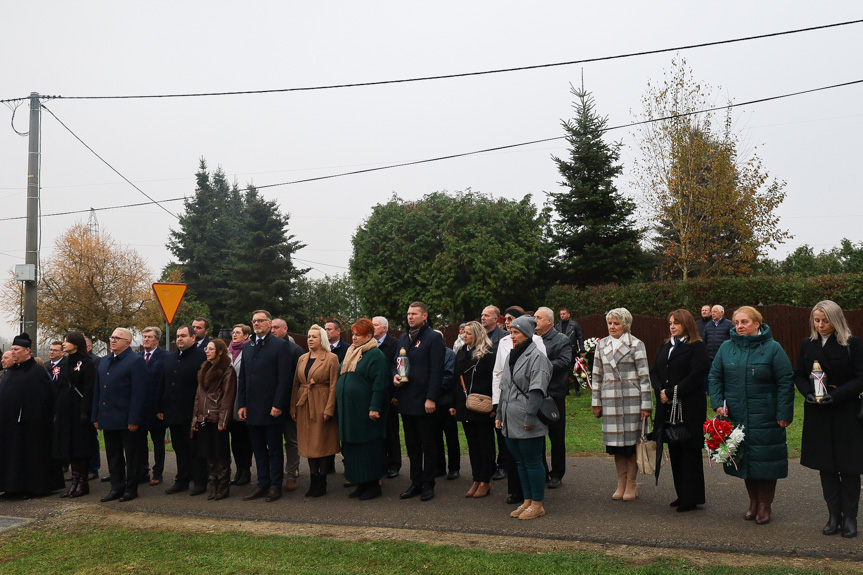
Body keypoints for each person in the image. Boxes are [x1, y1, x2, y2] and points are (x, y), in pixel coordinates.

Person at [709, 305, 794, 525]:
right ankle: (753, 502)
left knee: (765, 462)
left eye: (744, 322)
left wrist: (783, 413)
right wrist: (718, 403)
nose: (740, 326)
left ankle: (765, 505)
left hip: (766, 417)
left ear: (757, 323)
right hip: (736, 416)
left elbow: (785, 381)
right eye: (737, 322)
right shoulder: (727, 348)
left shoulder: (773, 348)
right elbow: (714, 377)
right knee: (744, 460)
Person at [793, 300, 863, 538]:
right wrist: (808, 394)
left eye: (825, 320)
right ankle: (833, 515)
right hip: (819, 413)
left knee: (850, 467)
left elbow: (861, 377)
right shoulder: (807, 344)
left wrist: (837, 395)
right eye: (816, 320)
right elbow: (799, 375)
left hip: (846, 412)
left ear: (836, 320)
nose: (820, 325)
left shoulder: (853, 344)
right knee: (827, 466)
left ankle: (850, 517)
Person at [650, 310, 710, 512]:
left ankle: (692, 497)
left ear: (686, 325)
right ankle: (681, 493)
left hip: (688, 406)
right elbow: (655, 371)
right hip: (667, 406)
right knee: (674, 448)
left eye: (676, 323)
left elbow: (696, 375)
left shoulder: (696, 346)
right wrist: (660, 390)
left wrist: (673, 392)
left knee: (689, 451)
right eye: (670, 323)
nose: (672, 326)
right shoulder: (666, 345)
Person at [591, 308, 652, 502]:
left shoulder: (636, 344)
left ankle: (632, 483)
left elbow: (644, 376)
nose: (612, 327)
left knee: (632, 444)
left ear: (625, 324)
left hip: (632, 399)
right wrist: (596, 402)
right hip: (610, 400)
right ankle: (621, 482)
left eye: (616, 323)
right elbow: (596, 375)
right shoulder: (602, 345)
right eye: (610, 323)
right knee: (616, 445)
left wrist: (646, 405)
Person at [496, 316, 552, 520]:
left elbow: (537, 390)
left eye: (516, 332)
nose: (512, 336)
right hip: (510, 420)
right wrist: (500, 414)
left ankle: (537, 504)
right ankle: (527, 501)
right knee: (520, 462)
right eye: (511, 332)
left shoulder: (537, 357)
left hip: (529, 420)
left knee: (533, 462)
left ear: (527, 334)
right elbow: (504, 388)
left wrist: (529, 417)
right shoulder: (512, 355)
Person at [237, 310, 294, 503]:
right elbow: (243, 378)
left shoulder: (280, 346)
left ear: (269, 324)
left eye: (260, 321)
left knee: (275, 449)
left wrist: (278, 404)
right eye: (254, 321)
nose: (257, 324)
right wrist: (242, 404)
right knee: (258, 448)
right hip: (252, 408)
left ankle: (275, 485)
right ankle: (262, 483)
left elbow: (284, 379)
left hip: (271, 408)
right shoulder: (248, 347)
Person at [0, 333, 65, 499]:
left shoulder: (36, 372)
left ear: (27, 350)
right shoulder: (11, 371)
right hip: (10, 425)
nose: (12, 352)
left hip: (31, 426)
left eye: (16, 349)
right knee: (11, 456)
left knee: (28, 457)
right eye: (12, 349)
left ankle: (29, 488)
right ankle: (11, 487)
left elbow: (44, 399)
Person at [393, 301, 445, 502]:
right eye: (408, 313)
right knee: (412, 446)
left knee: (428, 445)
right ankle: (415, 482)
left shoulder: (433, 338)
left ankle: (428, 484)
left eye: (414, 313)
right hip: (406, 400)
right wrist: (395, 377)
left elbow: (436, 371)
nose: (410, 317)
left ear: (424, 316)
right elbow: (397, 363)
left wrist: (431, 398)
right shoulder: (404, 338)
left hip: (425, 402)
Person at [92, 327, 148, 502]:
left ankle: (131, 489)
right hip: (108, 417)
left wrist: (134, 419)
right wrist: (96, 416)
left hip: (127, 418)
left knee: (132, 456)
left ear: (128, 342)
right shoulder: (104, 361)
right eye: (112, 337)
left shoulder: (135, 361)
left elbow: (139, 393)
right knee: (113, 455)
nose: (113, 340)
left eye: (118, 338)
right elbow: (98, 391)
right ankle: (116, 487)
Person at [336, 319, 390, 500]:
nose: (354, 338)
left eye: (358, 335)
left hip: (366, 412)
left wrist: (374, 407)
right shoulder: (352, 353)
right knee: (352, 447)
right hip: (350, 412)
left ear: (369, 336)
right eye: (353, 334)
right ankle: (360, 483)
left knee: (368, 447)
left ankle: (373, 485)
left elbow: (380, 384)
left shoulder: (375, 355)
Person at [290, 325, 340, 497]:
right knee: (309, 443)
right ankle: (313, 479)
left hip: (321, 402)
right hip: (304, 404)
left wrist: (329, 408)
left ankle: (322, 480)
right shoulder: (302, 358)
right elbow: (296, 384)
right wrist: (293, 407)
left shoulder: (331, 358)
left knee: (322, 443)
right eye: (309, 336)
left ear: (322, 339)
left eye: (314, 337)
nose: (310, 339)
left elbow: (334, 385)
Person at [159, 325, 208, 496]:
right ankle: (182, 480)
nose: (179, 339)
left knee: (195, 449)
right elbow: (164, 384)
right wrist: (161, 407)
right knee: (179, 449)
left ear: (193, 338)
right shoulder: (171, 358)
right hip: (173, 412)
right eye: (178, 336)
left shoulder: (202, 358)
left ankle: (200, 481)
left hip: (193, 413)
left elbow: (205, 388)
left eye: (183, 336)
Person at [452, 321, 496, 498]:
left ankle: (485, 480)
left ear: (478, 334)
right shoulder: (462, 352)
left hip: (483, 404)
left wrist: (495, 406)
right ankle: (476, 478)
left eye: (469, 333)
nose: (465, 336)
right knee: (472, 445)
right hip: (465, 405)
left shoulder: (488, 353)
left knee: (485, 444)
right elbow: (456, 379)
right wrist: (454, 405)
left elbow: (495, 380)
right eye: (464, 333)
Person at [53, 331, 98, 498]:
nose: (64, 343)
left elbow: (88, 389)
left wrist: (86, 411)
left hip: (80, 410)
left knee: (81, 447)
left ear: (76, 344)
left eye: (67, 341)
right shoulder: (64, 363)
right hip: (66, 410)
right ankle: (74, 482)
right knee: (70, 447)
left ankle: (82, 483)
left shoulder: (86, 363)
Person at [192, 338, 236, 500]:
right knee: (209, 453)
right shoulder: (204, 369)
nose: (207, 351)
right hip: (204, 418)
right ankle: (213, 485)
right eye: (206, 349)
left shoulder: (227, 370)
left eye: (211, 349)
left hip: (217, 417)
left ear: (219, 351)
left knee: (221, 453)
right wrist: (195, 418)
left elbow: (227, 397)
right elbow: (199, 396)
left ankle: (223, 486)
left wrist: (223, 420)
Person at [534, 307, 572, 489]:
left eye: (538, 318)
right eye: (534, 317)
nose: (535, 321)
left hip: (554, 394)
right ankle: (542, 472)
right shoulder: (532, 339)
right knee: (537, 435)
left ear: (549, 321)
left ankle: (557, 473)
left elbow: (564, 362)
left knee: (556, 437)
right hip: (536, 394)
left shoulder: (561, 339)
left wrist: (540, 365)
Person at [272, 317, 304, 492]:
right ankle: (275, 472)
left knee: (291, 440)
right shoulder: (266, 348)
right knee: (273, 440)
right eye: (271, 327)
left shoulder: (295, 350)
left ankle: (291, 472)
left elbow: (298, 380)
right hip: (270, 404)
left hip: (290, 403)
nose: (273, 330)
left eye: (277, 327)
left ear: (285, 329)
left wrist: (294, 405)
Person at [373, 316, 401, 479]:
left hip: (390, 394)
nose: (373, 327)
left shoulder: (394, 344)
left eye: (375, 325)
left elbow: (398, 368)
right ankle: (380, 462)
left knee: (391, 430)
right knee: (378, 430)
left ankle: (394, 464)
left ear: (384, 328)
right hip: (375, 395)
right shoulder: (369, 344)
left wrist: (396, 395)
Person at [139, 326, 167, 486]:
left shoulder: (165, 357)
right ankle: (143, 471)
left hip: (157, 409)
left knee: (158, 443)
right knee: (141, 443)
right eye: (144, 337)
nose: (146, 339)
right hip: (141, 409)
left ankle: (158, 473)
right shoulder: (138, 357)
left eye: (149, 337)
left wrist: (161, 408)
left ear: (157, 339)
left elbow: (165, 385)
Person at [228, 324, 253, 487]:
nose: (234, 335)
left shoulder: (249, 350)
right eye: (233, 332)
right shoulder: (228, 351)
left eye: (238, 333)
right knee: (235, 439)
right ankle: (238, 469)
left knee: (246, 439)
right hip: (230, 400)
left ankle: (246, 470)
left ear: (246, 336)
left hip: (244, 399)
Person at [434, 330, 460, 480]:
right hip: (432, 402)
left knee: (451, 436)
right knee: (435, 436)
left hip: (446, 401)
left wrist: (432, 389)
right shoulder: (429, 354)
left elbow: (450, 376)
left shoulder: (449, 354)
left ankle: (454, 468)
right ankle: (439, 467)